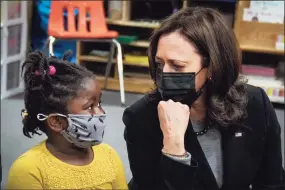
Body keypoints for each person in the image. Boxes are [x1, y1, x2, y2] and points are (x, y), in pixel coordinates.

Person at [122, 7, 284, 190]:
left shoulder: (255, 103)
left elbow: (272, 182)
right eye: (159, 64)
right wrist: (173, 146)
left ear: (212, 67)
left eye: (177, 66)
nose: (164, 73)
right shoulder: (141, 117)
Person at [6, 51, 128, 190]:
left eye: (99, 104)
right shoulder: (29, 170)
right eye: (90, 107)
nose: (101, 113)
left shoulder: (109, 156)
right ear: (56, 122)